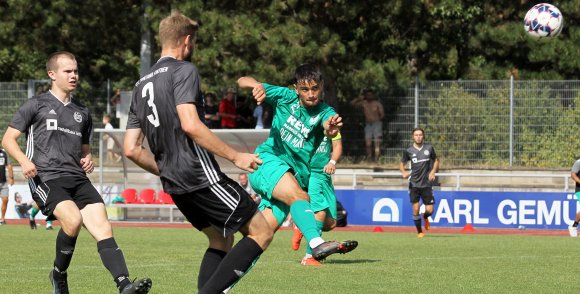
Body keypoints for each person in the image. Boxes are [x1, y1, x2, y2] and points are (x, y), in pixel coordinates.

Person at [123, 11, 273, 294]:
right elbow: (190, 125)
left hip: (175, 183)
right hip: (199, 176)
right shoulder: (184, 70)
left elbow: (131, 148)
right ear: (186, 41)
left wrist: (165, 169)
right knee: (261, 231)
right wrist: (236, 156)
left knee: (220, 239)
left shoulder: (140, 86)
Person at [1, 51, 151, 294]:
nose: (74, 75)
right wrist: (23, 161)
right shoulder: (35, 105)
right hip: (46, 177)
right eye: (67, 71)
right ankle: (58, 276)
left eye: (76, 71)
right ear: (52, 74)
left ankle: (125, 285)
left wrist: (87, 159)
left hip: (77, 178)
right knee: (72, 220)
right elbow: (8, 140)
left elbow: (84, 150)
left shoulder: (82, 111)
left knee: (103, 228)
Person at [237, 63, 358, 262]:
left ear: (322, 86)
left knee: (261, 235)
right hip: (268, 161)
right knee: (299, 196)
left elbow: (329, 125)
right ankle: (315, 245)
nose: (311, 94)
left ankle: (223, 279)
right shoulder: (285, 96)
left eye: (315, 88)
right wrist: (256, 86)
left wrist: (330, 129)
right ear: (296, 89)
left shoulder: (326, 112)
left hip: (295, 176)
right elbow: (242, 80)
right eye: (305, 89)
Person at [291, 132, 345, 266]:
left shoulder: (331, 123)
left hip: (325, 176)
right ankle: (309, 257)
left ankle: (301, 224)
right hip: (311, 174)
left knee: (330, 223)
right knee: (319, 213)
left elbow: (337, 145)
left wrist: (332, 162)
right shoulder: (305, 123)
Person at [399, 127, 439, 238]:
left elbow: (436, 160)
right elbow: (402, 164)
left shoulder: (429, 148)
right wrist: (403, 172)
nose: (418, 137)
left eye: (420, 135)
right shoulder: (409, 151)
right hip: (414, 184)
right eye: (416, 135)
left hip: (426, 184)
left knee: (430, 210)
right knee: (415, 208)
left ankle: (425, 217)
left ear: (423, 136)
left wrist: (433, 171)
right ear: (413, 136)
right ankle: (419, 232)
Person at [350, 89, 384, 163]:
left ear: (373, 95)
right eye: (368, 95)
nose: (369, 96)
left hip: (376, 124)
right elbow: (352, 104)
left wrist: (376, 120)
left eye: (370, 95)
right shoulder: (364, 103)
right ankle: (369, 159)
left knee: (377, 143)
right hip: (368, 124)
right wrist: (359, 98)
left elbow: (382, 115)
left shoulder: (377, 104)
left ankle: (376, 160)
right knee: (368, 143)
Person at [0, 148, 14, 224]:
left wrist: (11, 177)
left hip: (3, 182)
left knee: (5, 200)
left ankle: (2, 219)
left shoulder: (4, 153)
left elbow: (9, 165)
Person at [568, 159, 580, 237]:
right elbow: (573, 175)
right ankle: (574, 226)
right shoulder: (579, 162)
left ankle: (574, 226)